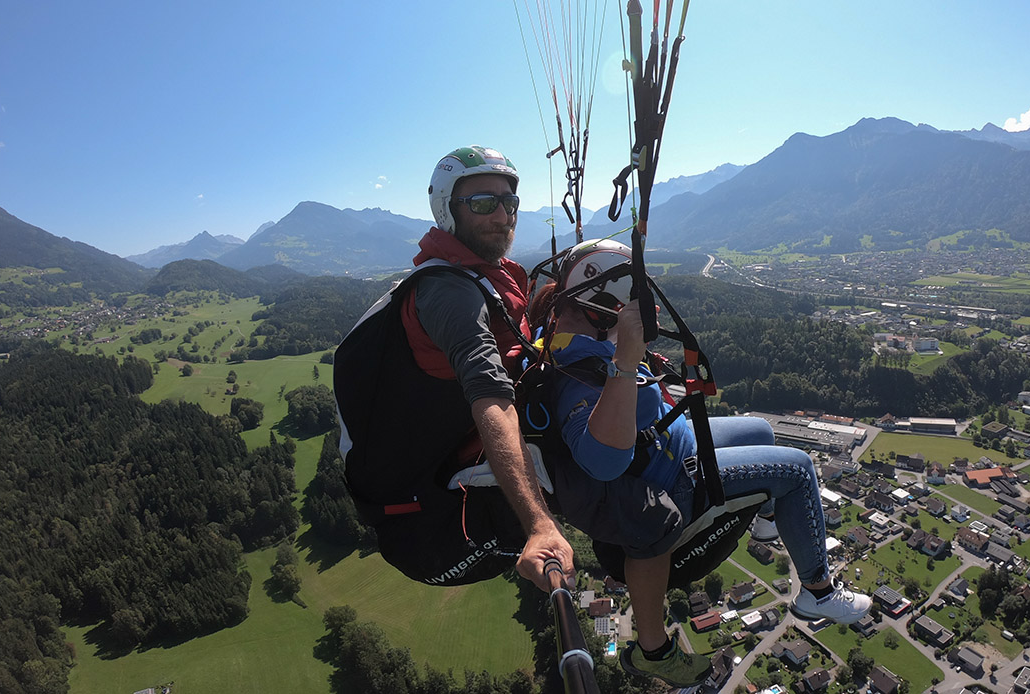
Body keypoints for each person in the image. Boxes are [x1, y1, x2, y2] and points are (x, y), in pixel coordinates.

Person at [533, 238, 871, 687]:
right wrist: (626, 359)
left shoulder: (577, 335)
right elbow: (602, 461)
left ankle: (769, 520)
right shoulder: (577, 366)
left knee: (761, 430)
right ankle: (817, 592)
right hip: (670, 474)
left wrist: (626, 357)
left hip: (674, 441)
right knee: (797, 468)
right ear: (603, 298)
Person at [340, 145, 573, 591]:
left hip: (456, 447)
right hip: (435, 496)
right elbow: (491, 397)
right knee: (604, 466)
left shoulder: (484, 273)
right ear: (449, 211)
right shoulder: (451, 292)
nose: (502, 215)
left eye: (510, 202)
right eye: (484, 203)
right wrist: (539, 523)